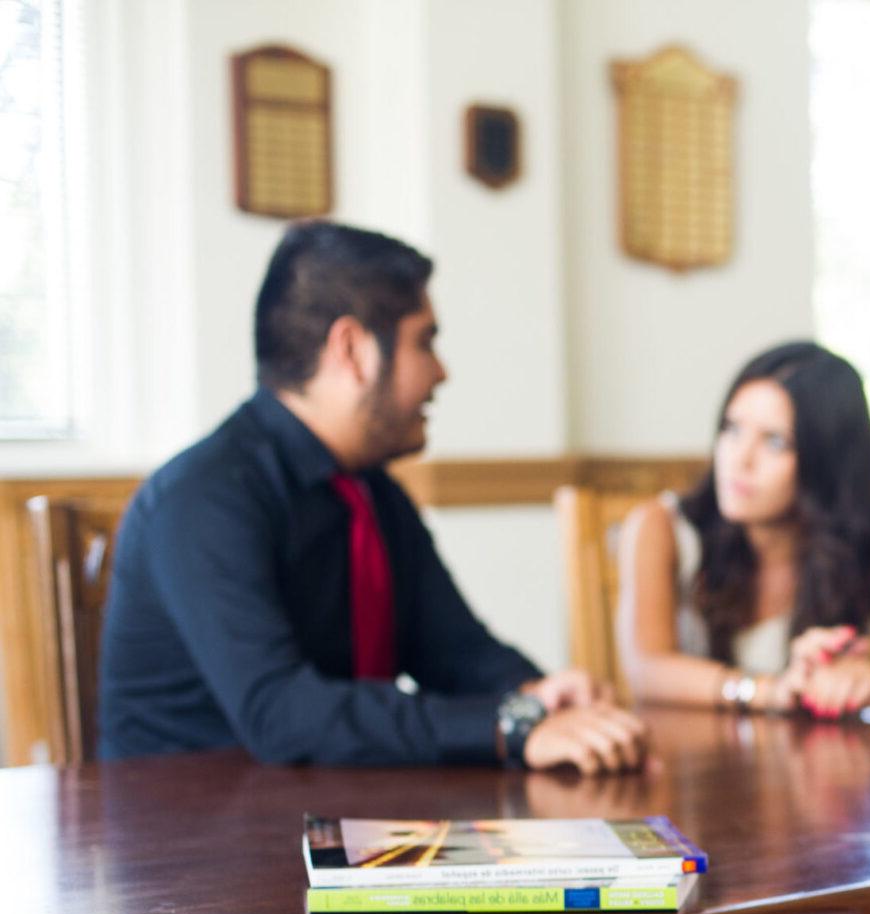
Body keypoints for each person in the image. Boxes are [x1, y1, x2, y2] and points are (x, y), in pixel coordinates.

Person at [99, 222, 648, 771]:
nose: (441, 372)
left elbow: (454, 649)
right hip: (190, 836)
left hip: (337, 817)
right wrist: (509, 727)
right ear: (353, 350)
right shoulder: (203, 499)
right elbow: (282, 714)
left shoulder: (371, 492)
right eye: (425, 342)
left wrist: (540, 695)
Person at [615, 342, 870, 720]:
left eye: (775, 442)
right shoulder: (659, 527)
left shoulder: (864, 548)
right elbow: (646, 670)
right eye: (732, 428)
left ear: (826, 461)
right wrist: (768, 691)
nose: (740, 459)